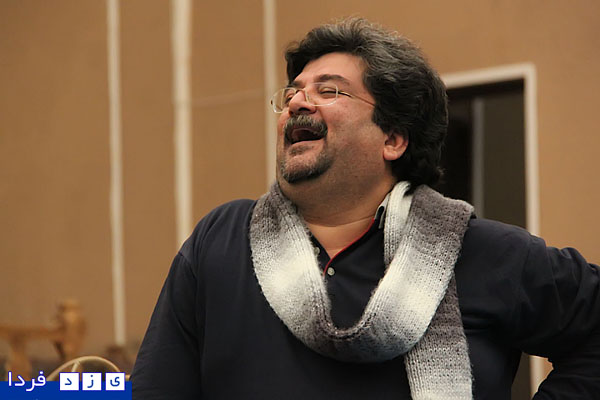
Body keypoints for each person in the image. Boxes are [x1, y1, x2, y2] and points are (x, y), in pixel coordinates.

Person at [131, 18, 600, 399]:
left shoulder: (480, 252)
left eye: (329, 90)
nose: (297, 102)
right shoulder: (221, 241)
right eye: (292, 92)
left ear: (393, 139)